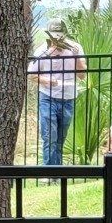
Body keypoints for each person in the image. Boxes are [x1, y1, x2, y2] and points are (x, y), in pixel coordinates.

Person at [27, 19, 86, 165]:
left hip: (68, 98)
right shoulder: (42, 51)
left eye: (60, 35)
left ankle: (57, 173)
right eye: (54, 36)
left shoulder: (75, 48)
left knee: (60, 137)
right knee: (49, 136)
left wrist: (76, 55)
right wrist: (47, 81)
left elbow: (82, 74)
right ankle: (48, 173)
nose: (57, 39)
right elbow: (32, 74)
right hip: (48, 97)